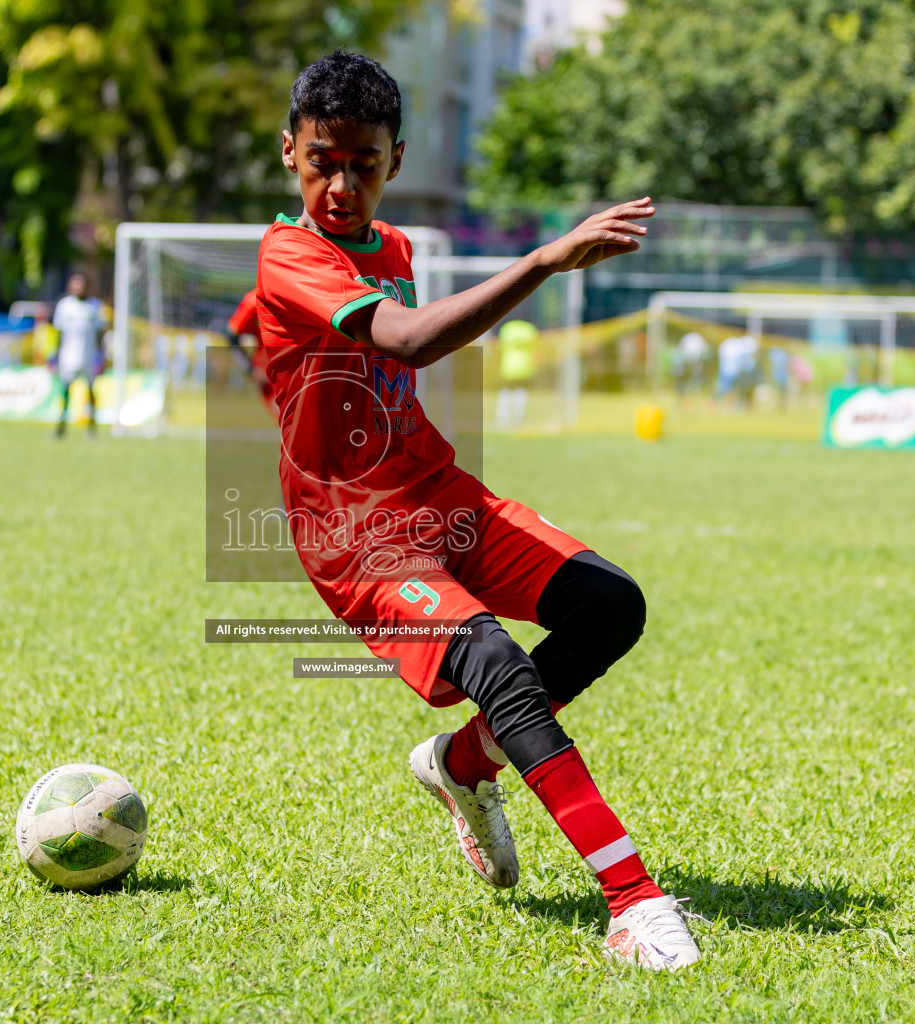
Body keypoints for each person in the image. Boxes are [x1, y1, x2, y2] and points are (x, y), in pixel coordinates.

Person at [253, 51, 699, 970]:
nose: (341, 183)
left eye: (364, 162)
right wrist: (544, 259)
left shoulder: (399, 250)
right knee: (493, 656)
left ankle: (463, 766)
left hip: (439, 496)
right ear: (289, 151)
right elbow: (409, 342)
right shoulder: (288, 252)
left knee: (610, 605)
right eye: (322, 159)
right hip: (356, 534)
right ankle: (632, 899)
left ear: (397, 160)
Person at [51, 272, 109, 437]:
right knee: (65, 390)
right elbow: (58, 333)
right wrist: (54, 356)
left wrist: (102, 356)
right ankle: (60, 428)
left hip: (89, 357)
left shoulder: (95, 306)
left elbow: (100, 334)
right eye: (75, 284)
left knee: (90, 391)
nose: (78, 288)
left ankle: (92, 428)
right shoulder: (64, 305)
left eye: (81, 284)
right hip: (68, 357)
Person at [224, 288, 280, 421]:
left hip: (302, 365)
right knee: (288, 422)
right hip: (269, 372)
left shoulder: (297, 292)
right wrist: (250, 369)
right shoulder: (253, 301)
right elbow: (231, 335)